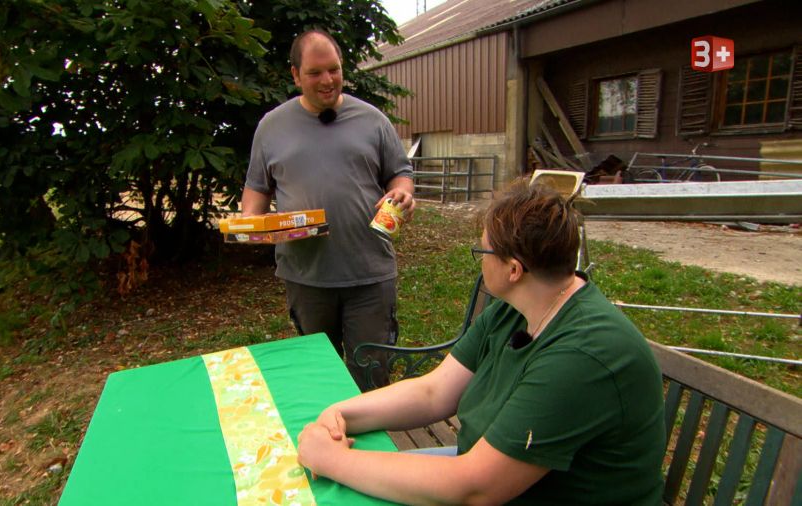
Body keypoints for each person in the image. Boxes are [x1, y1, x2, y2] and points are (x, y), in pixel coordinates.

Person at [297, 180, 666, 505]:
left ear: (514, 269)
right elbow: (435, 391)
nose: (479, 261)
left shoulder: (581, 356)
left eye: (482, 252)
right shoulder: (522, 305)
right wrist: (342, 413)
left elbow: (474, 488)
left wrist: (332, 460)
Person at [242, 28, 415, 389]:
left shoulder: (372, 120)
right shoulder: (272, 127)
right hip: (307, 278)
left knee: (370, 375)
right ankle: (328, 442)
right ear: (294, 75)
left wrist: (401, 193)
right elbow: (255, 192)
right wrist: (251, 226)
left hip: (369, 274)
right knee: (318, 377)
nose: (328, 80)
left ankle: (369, 444)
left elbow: (400, 173)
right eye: (315, 73)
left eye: (334, 69)